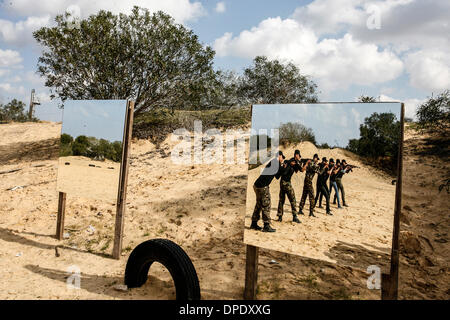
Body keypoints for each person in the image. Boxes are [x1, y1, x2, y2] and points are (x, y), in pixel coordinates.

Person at [250, 151, 286, 232]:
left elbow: (277, 176)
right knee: (266, 204)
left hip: (257, 185)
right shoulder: (275, 162)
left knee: (259, 204)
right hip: (263, 186)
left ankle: (253, 223)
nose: (282, 159)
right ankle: (266, 225)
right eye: (282, 157)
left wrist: (282, 166)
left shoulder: (273, 163)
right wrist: (285, 165)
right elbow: (283, 170)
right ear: (279, 156)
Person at [277, 149, 302, 223]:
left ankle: (280, 216)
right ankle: (294, 216)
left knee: (282, 199)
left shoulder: (294, 162)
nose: (298, 157)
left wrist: (301, 164)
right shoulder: (291, 161)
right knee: (292, 199)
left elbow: (298, 170)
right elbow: (301, 169)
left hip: (283, 182)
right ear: (296, 155)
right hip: (286, 182)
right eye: (298, 156)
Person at [299, 153, 320, 217]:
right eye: (317, 159)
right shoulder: (312, 164)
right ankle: (311, 212)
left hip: (306, 180)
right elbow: (318, 171)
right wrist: (319, 166)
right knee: (312, 197)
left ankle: (300, 209)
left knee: (304, 195)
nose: (317, 160)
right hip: (308, 181)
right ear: (315, 158)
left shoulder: (310, 163)